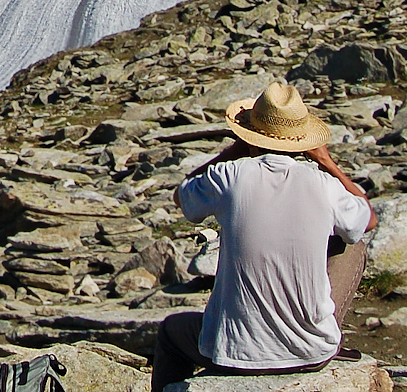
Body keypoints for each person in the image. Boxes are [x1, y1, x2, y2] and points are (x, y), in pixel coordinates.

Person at [150, 81, 376, 387]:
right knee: (352, 243)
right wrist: (327, 162)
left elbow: (183, 196)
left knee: (169, 332)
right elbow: (369, 218)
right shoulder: (324, 185)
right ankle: (319, 329)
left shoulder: (230, 176)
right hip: (312, 353)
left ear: (250, 138)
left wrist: (235, 150)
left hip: (235, 352)